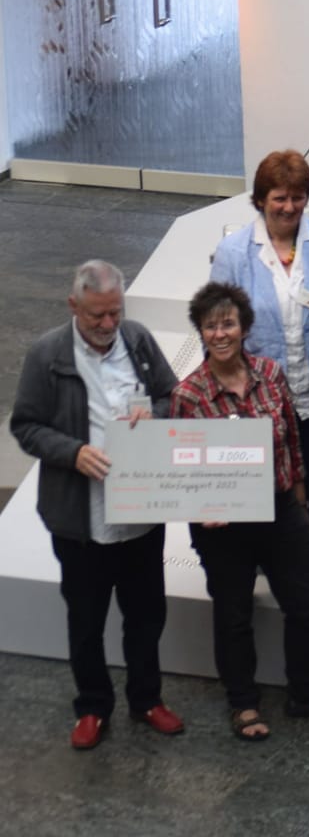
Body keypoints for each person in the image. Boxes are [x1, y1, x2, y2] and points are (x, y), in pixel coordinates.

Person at [173, 282, 309, 741]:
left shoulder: (270, 374)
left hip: (279, 508)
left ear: (244, 327)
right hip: (222, 522)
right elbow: (180, 463)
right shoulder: (189, 395)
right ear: (200, 331)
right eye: (211, 325)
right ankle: (243, 704)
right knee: (234, 613)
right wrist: (201, 509)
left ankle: (306, 692)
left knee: (306, 601)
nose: (221, 333)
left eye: (228, 323)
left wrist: (298, 491)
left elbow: (292, 436)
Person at [11, 260, 186, 750]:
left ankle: (147, 699)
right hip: (79, 520)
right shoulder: (47, 354)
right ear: (74, 307)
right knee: (85, 620)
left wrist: (151, 415)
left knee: (146, 614)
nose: (108, 325)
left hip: (139, 515)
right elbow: (25, 426)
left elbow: (174, 397)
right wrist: (73, 452)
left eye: (115, 313)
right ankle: (92, 706)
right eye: (97, 317)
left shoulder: (137, 341)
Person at [210, 148, 309, 530]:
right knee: (260, 497)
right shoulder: (233, 252)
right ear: (260, 200)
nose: (289, 207)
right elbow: (221, 326)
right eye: (279, 198)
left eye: (297, 197)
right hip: (257, 403)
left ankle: (299, 574)